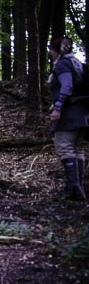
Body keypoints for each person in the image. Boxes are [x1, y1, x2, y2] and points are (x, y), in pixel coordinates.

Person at [48, 36, 89, 201]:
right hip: (82, 115)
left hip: (68, 116)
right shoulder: (77, 64)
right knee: (77, 150)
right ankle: (77, 190)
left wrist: (57, 107)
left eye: (51, 50)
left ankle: (73, 190)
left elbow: (67, 86)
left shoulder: (63, 65)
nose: (50, 53)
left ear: (57, 51)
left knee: (64, 148)